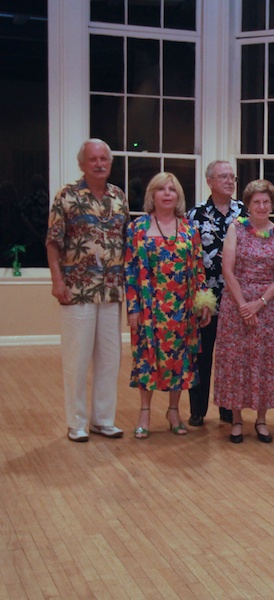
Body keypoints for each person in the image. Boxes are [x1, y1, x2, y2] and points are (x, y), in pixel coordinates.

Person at [46, 139, 129, 442]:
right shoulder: (67, 196)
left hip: (110, 290)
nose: (99, 163)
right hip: (76, 289)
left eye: (104, 158)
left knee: (110, 359)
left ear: (110, 162)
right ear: (82, 164)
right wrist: (57, 281)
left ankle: (103, 419)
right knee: (77, 359)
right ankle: (76, 422)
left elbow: (125, 240)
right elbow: (53, 242)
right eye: (92, 159)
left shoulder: (118, 197)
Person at [125, 173, 212, 438]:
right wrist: (133, 309)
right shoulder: (137, 228)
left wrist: (203, 303)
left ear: (178, 197)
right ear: (152, 195)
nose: (166, 193)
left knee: (180, 361)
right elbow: (129, 270)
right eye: (161, 189)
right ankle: (144, 411)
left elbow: (198, 270)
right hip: (150, 308)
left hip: (182, 309)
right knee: (146, 360)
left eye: (172, 190)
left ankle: (174, 410)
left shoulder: (188, 229)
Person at [213, 180, 274, 444]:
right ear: (248, 204)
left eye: (266, 201)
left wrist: (260, 302)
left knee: (265, 362)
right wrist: (244, 303)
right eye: (256, 201)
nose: (262, 206)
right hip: (236, 303)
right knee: (236, 361)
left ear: (272, 204)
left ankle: (261, 420)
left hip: (267, 306)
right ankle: (236, 420)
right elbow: (228, 269)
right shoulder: (236, 229)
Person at [185, 160, 246, 427]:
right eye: (223, 177)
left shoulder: (245, 214)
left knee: (231, 357)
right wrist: (199, 296)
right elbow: (188, 258)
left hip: (237, 297)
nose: (229, 181)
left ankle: (227, 408)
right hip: (205, 297)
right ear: (209, 181)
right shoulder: (195, 215)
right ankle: (197, 410)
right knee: (202, 354)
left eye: (232, 177)